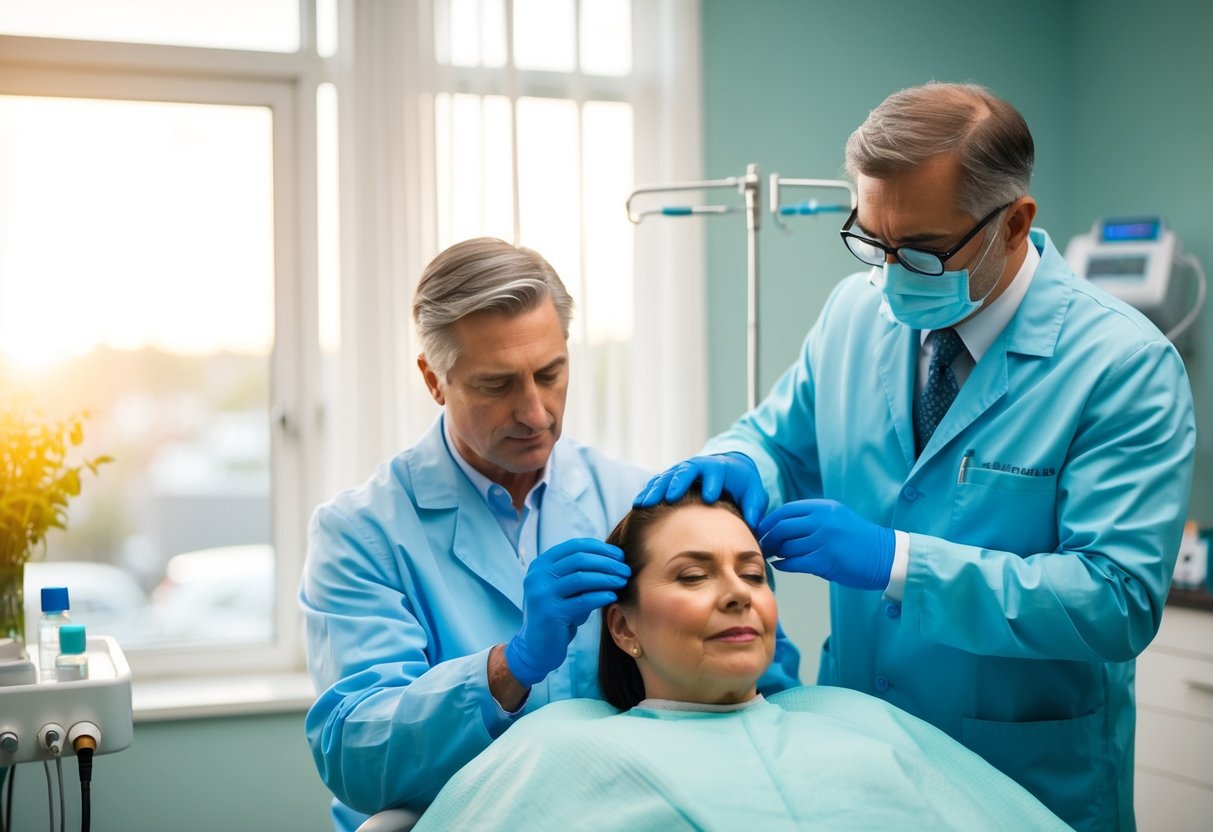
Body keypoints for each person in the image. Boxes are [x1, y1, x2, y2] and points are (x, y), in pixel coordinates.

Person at [635, 82, 1196, 831]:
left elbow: (1113, 600)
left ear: (1014, 223)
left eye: (925, 252)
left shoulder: (1122, 366)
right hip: (858, 769)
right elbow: (774, 439)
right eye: (873, 240)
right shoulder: (853, 313)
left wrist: (896, 561)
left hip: (1024, 779)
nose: (893, 274)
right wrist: (739, 458)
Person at [300, 237, 803, 831]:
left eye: (550, 373)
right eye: (496, 384)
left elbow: (764, 690)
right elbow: (357, 758)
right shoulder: (361, 535)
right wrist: (507, 668)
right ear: (434, 380)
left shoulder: (638, 505)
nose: (535, 412)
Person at [414, 492, 1067, 831]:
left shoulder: (850, 717)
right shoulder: (557, 747)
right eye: (693, 575)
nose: (736, 593)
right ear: (623, 627)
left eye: (752, 573)